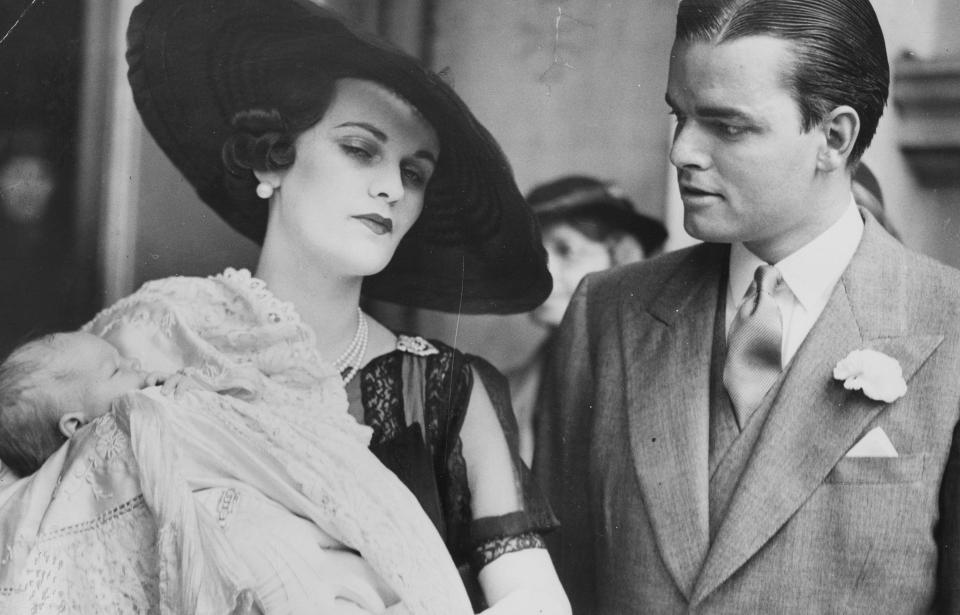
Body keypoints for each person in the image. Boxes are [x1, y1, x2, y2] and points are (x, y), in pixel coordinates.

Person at [0, 1, 570, 614]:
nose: (392, 188)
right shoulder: (145, 337)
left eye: (415, 172)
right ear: (273, 158)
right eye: (360, 149)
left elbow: (534, 600)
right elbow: (39, 535)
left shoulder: (450, 391)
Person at [535, 0, 960, 612]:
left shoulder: (947, 325)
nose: (682, 152)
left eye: (727, 126)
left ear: (833, 139)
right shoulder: (607, 313)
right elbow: (558, 583)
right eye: (679, 116)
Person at [0, 330, 465, 613]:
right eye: (116, 369)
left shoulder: (156, 405)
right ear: (75, 427)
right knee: (263, 556)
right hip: (224, 541)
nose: (139, 367)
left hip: (245, 518)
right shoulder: (117, 435)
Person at [506, 175, 667, 464]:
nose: (543, 273)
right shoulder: (504, 391)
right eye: (534, 254)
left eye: (566, 251)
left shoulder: (661, 375)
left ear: (621, 259)